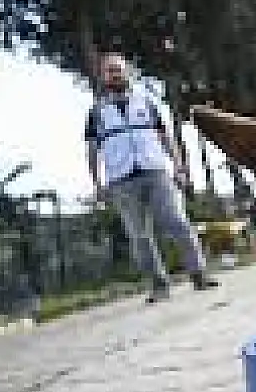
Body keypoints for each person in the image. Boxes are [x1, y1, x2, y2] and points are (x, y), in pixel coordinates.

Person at [85, 52, 217, 302]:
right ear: (103, 77)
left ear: (127, 72)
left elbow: (165, 136)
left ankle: (199, 275)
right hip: (121, 178)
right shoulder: (96, 112)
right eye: (109, 71)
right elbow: (93, 149)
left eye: (118, 69)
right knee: (139, 235)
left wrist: (178, 166)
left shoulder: (147, 101)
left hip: (156, 170)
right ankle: (159, 286)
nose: (115, 74)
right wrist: (97, 183)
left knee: (177, 221)